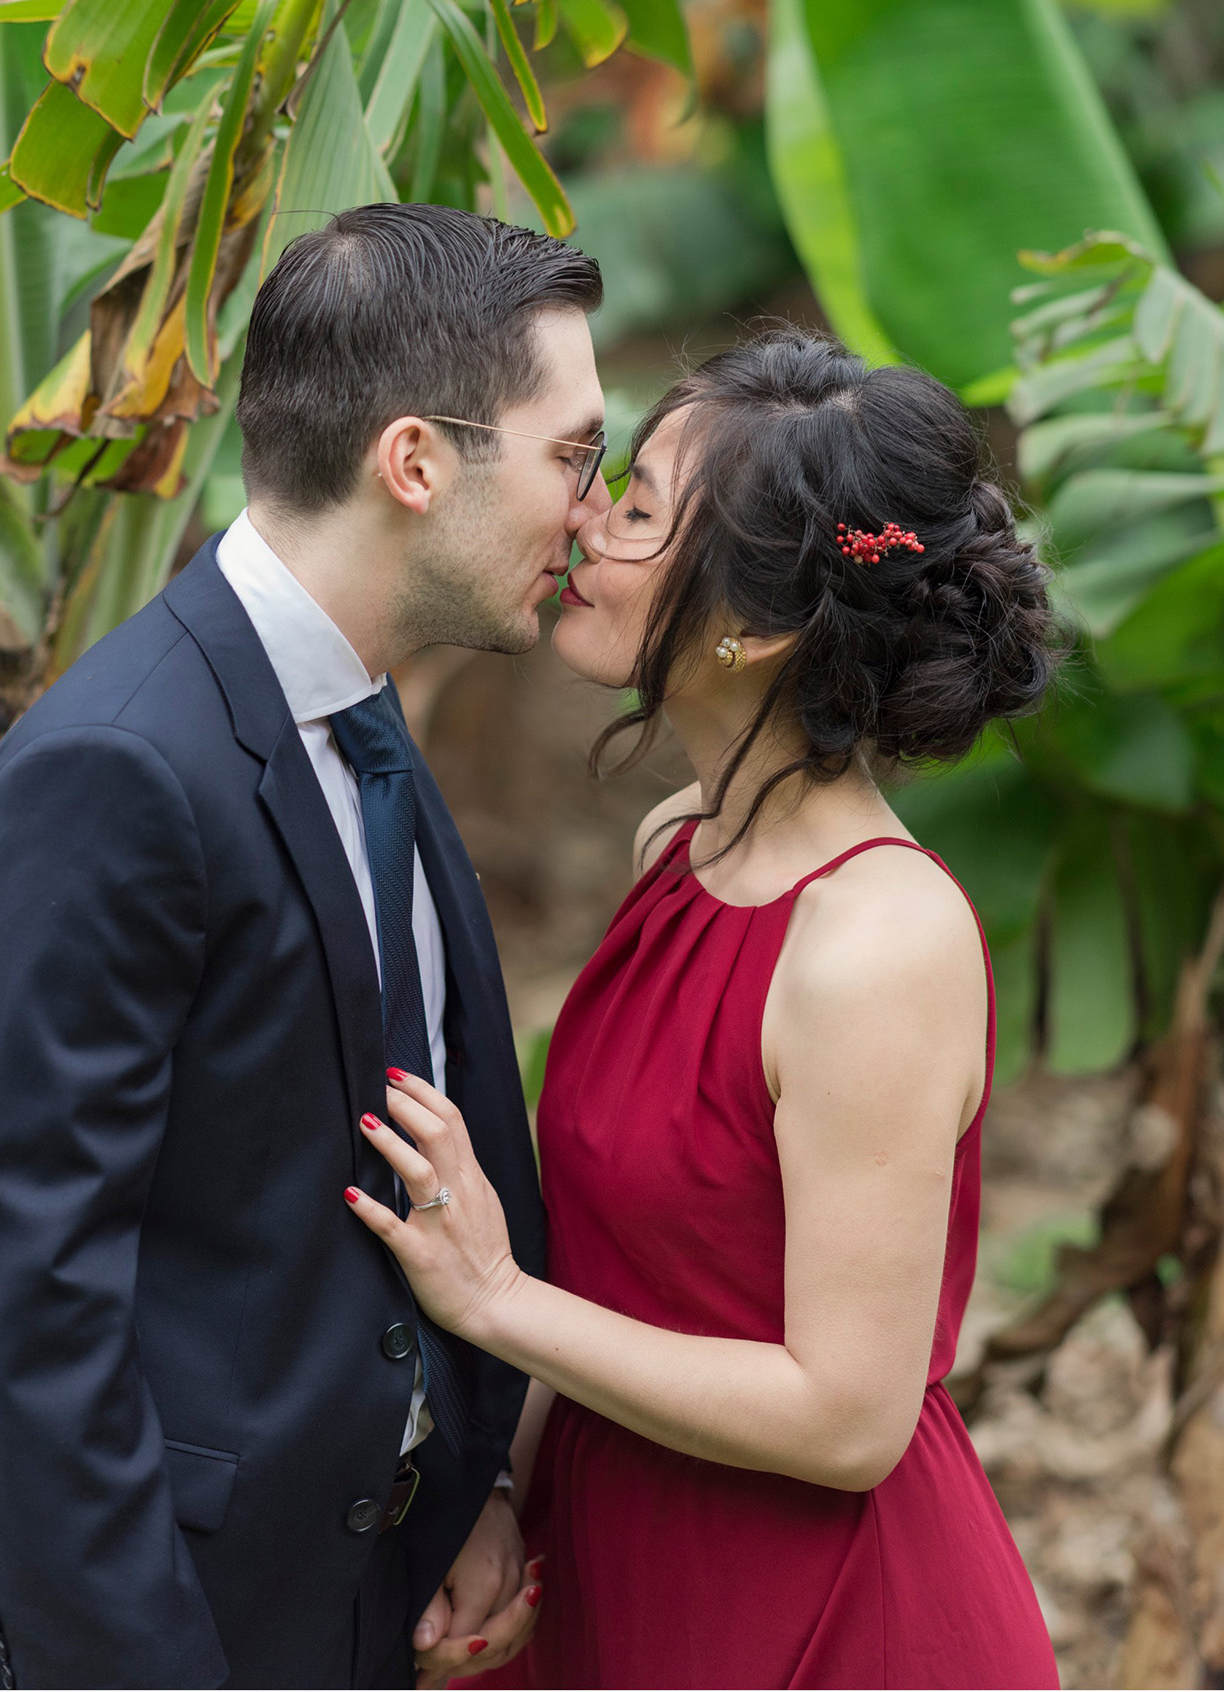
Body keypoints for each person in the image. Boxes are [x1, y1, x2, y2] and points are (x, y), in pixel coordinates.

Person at [0, 206, 611, 1692]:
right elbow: (31, 1315)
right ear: (417, 462)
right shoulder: (117, 773)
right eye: (571, 455)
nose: (593, 506)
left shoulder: (362, 729)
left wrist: (466, 1490)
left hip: (327, 1608)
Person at [341, 329, 1064, 1692]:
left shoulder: (878, 943)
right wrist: (496, 1493)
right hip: (613, 1545)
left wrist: (494, 1299)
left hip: (823, 1614)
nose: (584, 525)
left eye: (638, 508)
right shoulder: (681, 847)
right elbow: (632, 1269)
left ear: (762, 625)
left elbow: (850, 1418)